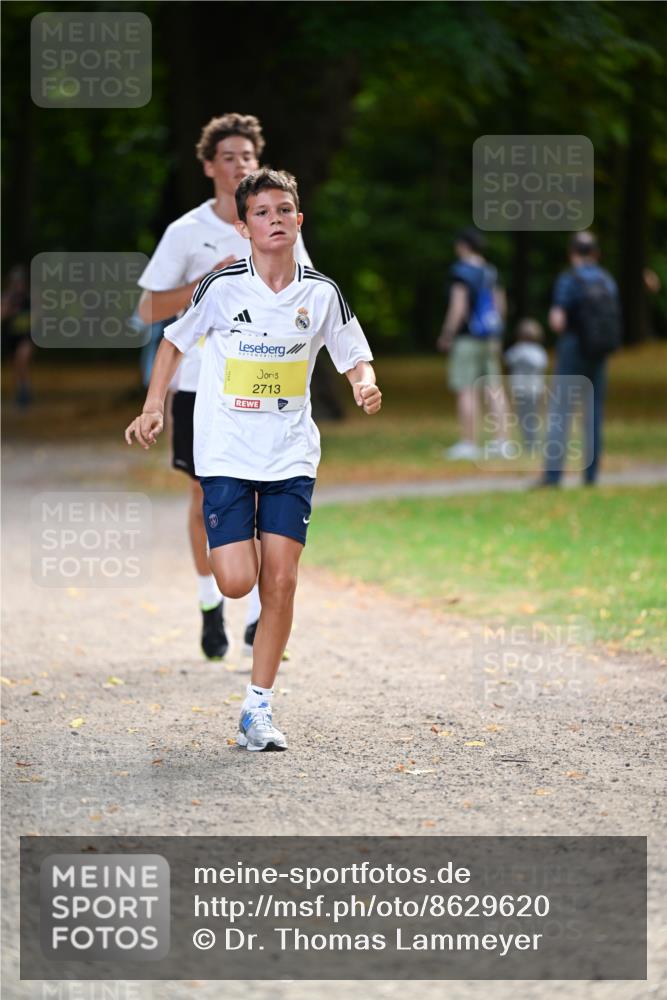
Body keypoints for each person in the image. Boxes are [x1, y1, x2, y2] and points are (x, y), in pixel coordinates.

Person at [125, 168, 382, 751]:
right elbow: (172, 342)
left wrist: (364, 383)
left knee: (282, 581)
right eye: (262, 213)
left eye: (284, 210)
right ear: (244, 228)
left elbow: (353, 355)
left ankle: (257, 707)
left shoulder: (321, 293)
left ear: (299, 220)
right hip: (227, 452)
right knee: (238, 581)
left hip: (291, 454)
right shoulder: (221, 288)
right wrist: (153, 405)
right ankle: (243, 565)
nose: (275, 220)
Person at [136, 113, 311, 661]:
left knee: (266, 493)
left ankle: (260, 613)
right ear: (210, 166)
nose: (240, 165)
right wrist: (204, 282)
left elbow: (306, 296)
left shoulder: (274, 222)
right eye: (229, 157)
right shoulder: (185, 232)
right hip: (199, 387)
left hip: (267, 389)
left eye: (248, 157)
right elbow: (148, 310)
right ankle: (209, 601)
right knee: (204, 496)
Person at [538, 231, 620, 487]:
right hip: (599, 351)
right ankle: (591, 475)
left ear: (572, 253)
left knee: (561, 410)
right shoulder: (607, 279)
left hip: (573, 348)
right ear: (596, 253)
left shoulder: (569, 279)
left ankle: (553, 475)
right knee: (593, 412)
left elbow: (557, 320)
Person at [436, 227, 510, 460]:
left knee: (467, 389)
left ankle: (469, 443)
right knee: (494, 388)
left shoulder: (461, 271)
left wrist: (447, 333)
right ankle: (502, 442)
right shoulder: (491, 271)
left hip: (467, 338)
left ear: (463, 246)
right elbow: (500, 306)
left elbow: (459, 306)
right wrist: (497, 334)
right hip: (489, 337)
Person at [504, 318, 548, 455]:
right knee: (530, 416)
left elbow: (507, 359)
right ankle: (531, 441)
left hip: (522, 390)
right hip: (534, 390)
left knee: (525, 417)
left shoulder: (517, 350)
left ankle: (530, 442)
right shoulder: (539, 351)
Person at [1, 265, 33, 408]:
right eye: (15, 281)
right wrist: (8, 309)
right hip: (10, 337)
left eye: (20, 281)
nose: (18, 284)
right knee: (16, 366)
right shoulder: (6, 298)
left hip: (25, 336)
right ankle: (22, 390)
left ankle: (24, 392)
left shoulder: (29, 298)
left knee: (22, 360)